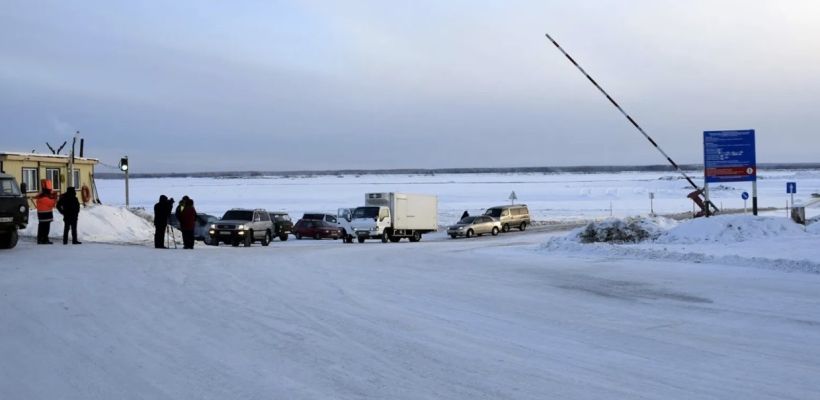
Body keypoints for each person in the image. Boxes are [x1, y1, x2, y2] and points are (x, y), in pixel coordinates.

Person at [34, 180, 58, 244]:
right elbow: (52, 204)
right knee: (46, 228)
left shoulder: (40, 197)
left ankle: (40, 239)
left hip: (41, 214)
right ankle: (44, 239)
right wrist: (55, 199)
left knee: (41, 227)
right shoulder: (45, 198)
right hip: (46, 214)